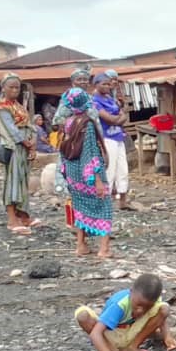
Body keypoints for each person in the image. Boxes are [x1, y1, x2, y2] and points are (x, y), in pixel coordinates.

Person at [74, 274, 176, 351]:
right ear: (131, 292)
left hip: (132, 332)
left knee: (164, 308)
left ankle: (132, 348)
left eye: (147, 307)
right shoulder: (119, 304)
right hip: (111, 335)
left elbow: (161, 314)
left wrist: (167, 336)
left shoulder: (152, 301)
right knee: (83, 316)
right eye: (138, 305)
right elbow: (95, 334)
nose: (140, 311)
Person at [58, 88, 114, 258]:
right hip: (87, 174)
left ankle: (81, 245)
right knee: (104, 208)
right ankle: (104, 249)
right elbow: (90, 153)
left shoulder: (68, 122)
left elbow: (63, 148)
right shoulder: (87, 124)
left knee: (80, 207)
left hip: (72, 172)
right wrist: (97, 180)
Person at [0, 73, 40, 235]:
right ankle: (12, 219)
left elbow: (28, 124)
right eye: (11, 87)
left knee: (22, 180)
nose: (14, 90)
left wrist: (32, 143)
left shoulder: (17, 105)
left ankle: (24, 215)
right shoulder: (1, 106)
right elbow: (10, 129)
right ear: (3, 88)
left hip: (24, 146)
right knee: (12, 181)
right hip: (12, 147)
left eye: (17, 87)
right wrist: (25, 142)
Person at [92, 72, 132, 210]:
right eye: (104, 84)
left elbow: (122, 116)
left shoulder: (110, 98)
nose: (107, 86)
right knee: (109, 169)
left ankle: (123, 201)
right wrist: (118, 118)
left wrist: (118, 119)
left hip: (118, 137)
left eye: (109, 84)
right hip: (107, 139)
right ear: (96, 85)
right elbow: (109, 119)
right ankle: (105, 203)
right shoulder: (94, 101)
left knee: (123, 169)